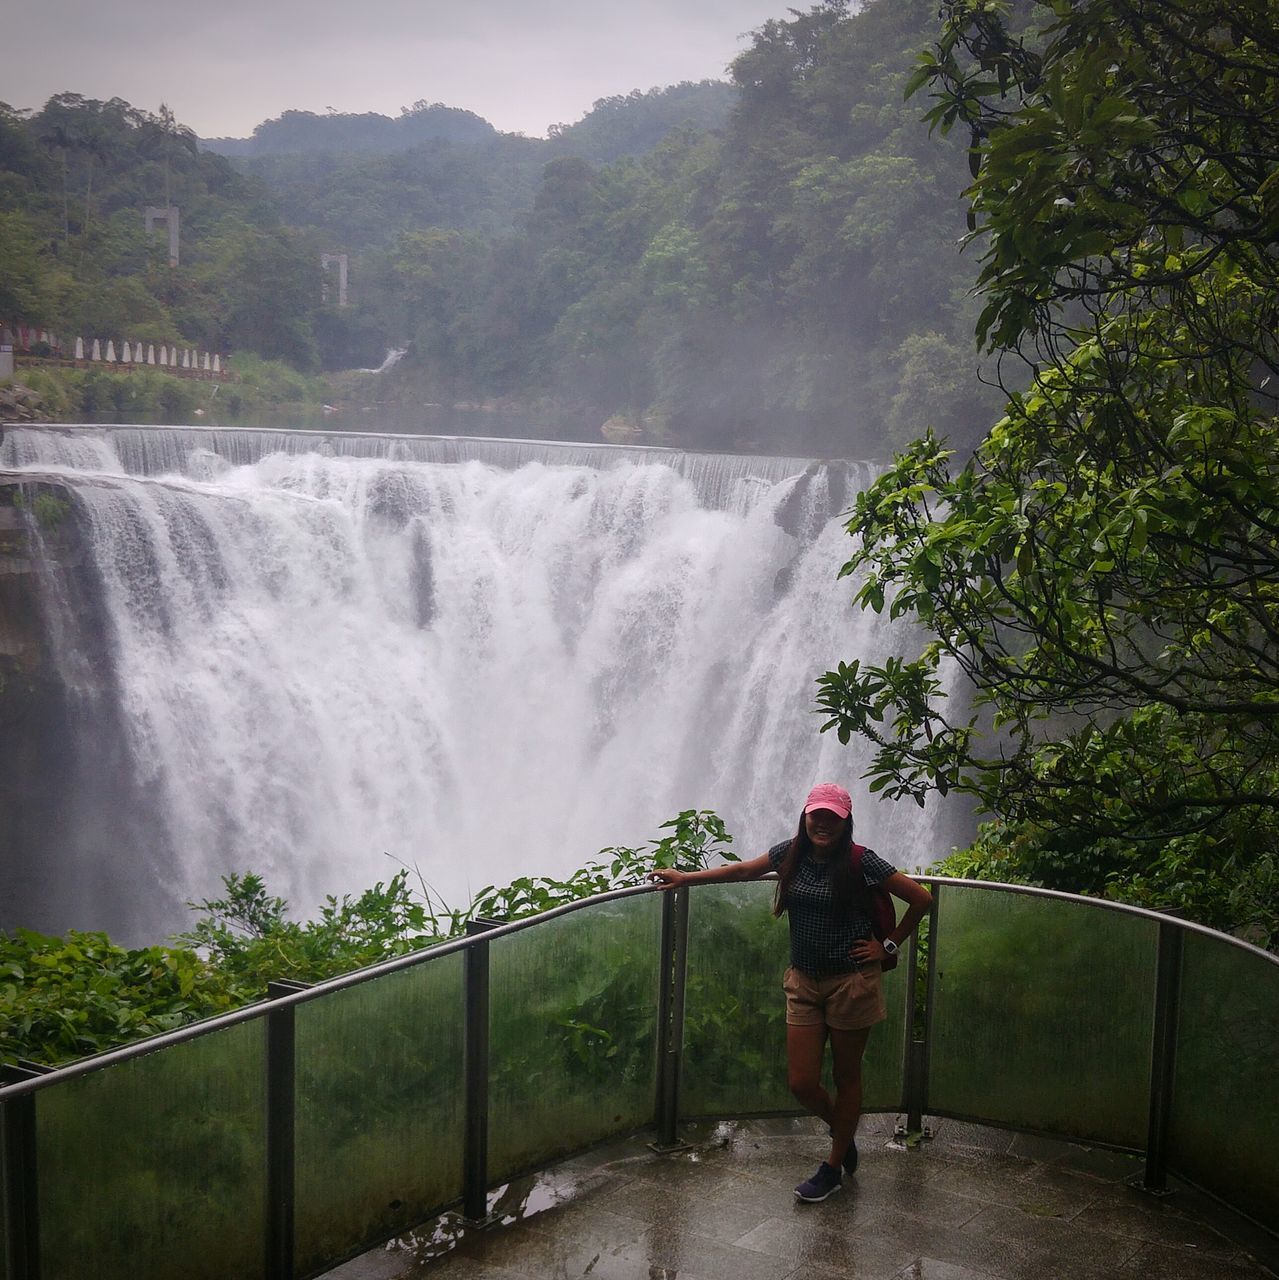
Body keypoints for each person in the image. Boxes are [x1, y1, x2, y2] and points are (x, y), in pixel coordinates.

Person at [650, 782, 933, 1202]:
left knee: (845, 1075)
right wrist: (685, 878)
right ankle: (843, 1133)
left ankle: (833, 1167)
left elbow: (921, 899)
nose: (822, 823)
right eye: (816, 814)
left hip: (852, 982)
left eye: (832, 817)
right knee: (801, 1082)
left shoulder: (862, 861)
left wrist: (887, 945)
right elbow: (745, 869)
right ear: (804, 815)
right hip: (803, 981)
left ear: (845, 822)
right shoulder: (791, 853)